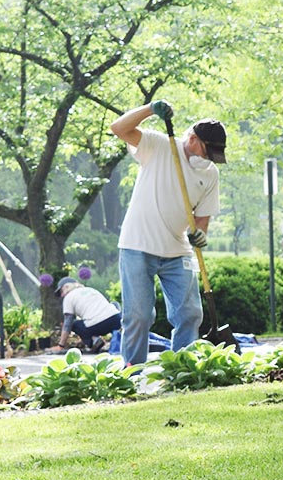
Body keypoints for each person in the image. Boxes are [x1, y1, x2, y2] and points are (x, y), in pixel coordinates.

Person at [110, 100, 225, 365]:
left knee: (190, 314)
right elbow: (119, 128)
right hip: (138, 244)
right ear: (193, 139)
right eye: (207, 151)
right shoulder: (159, 146)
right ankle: (132, 375)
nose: (209, 158)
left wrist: (201, 236)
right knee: (138, 316)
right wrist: (150, 109)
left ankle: (180, 371)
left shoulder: (210, 175)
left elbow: (202, 222)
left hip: (178, 251)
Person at [51, 278, 121, 354]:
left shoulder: (69, 297)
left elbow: (68, 323)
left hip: (97, 325)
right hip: (116, 319)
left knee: (74, 324)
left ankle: (94, 341)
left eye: (61, 291)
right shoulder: (91, 290)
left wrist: (61, 345)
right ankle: (117, 336)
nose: (62, 295)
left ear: (67, 287)